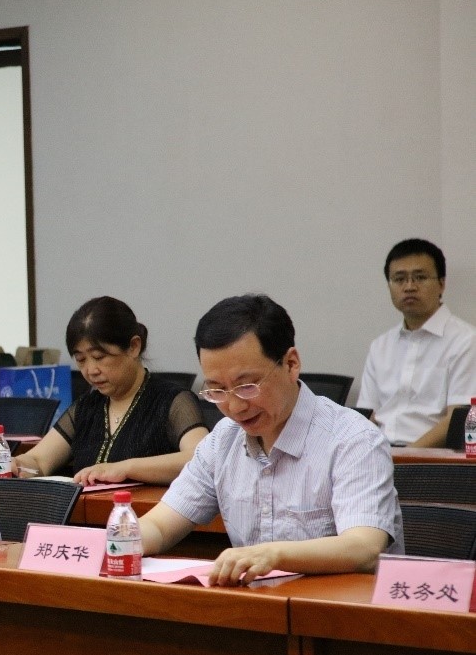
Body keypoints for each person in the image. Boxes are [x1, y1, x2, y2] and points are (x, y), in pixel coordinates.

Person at [138, 294, 402, 585]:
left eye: (247, 386)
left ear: (291, 364)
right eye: (217, 391)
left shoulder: (353, 439)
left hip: (339, 608)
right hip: (258, 606)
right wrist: (119, 540)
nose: (235, 407)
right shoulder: (222, 441)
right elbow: (159, 527)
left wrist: (273, 555)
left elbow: (364, 548)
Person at [11, 297, 208, 484]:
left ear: (133, 347)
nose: (91, 370)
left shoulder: (172, 401)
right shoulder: (86, 408)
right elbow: (39, 462)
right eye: (81, 360)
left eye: (99, 357)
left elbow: (200, 459)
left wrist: (126, 468)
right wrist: (16, 464)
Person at [356, 239, 476, 446]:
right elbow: (367, 416)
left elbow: (458, 418)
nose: (409, 287)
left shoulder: (466, 341)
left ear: (441, 283)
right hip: (380, 452)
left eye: (420, 277)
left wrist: (405, 456)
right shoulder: (380, 346)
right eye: (399, 279)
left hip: (433, 459)